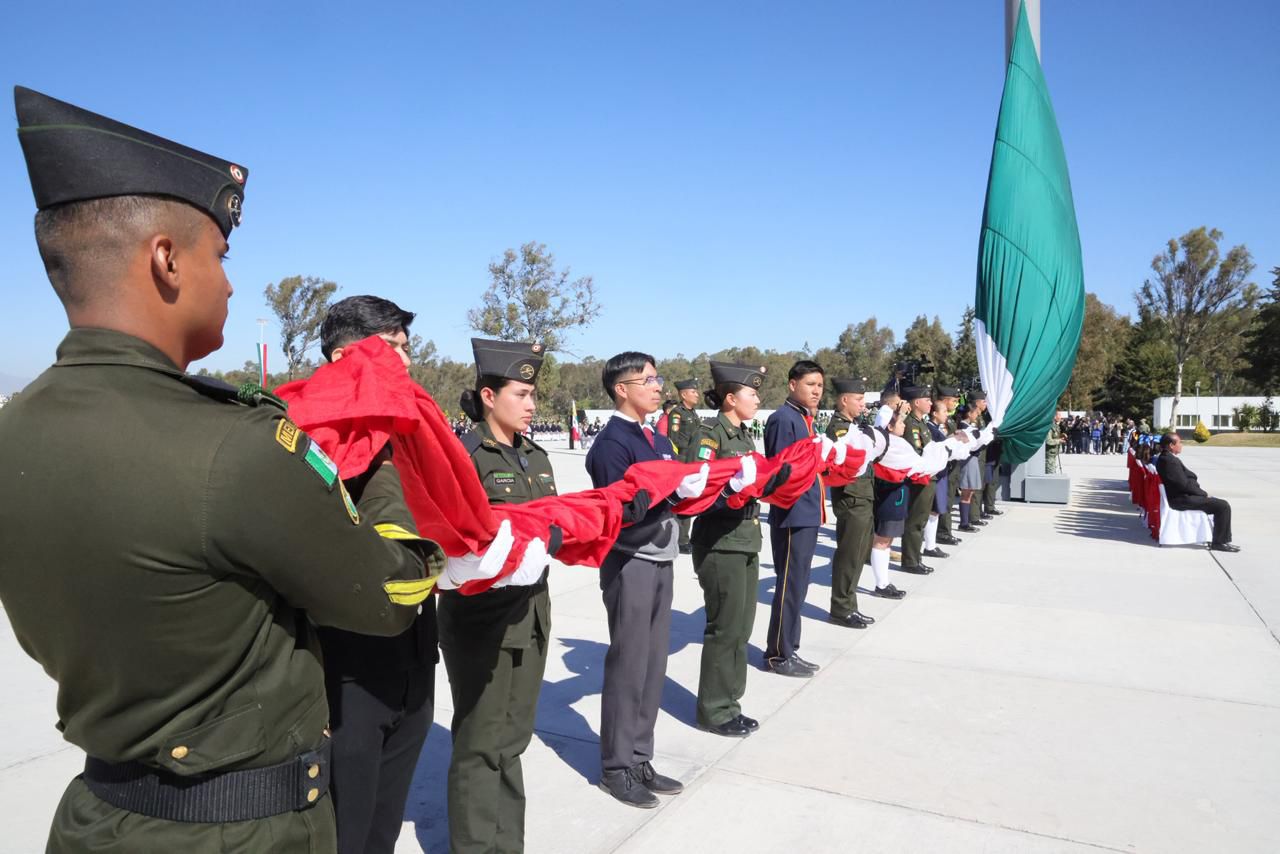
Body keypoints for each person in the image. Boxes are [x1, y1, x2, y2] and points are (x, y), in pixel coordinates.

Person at [0, 86, 445, 852]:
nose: (232, 282)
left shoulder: (17, 430)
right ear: (166, 259)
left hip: (97, 816)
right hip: (241, 829)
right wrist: (381, 467)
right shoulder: (232, 448)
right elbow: (388, 597)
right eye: (222, 254)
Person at [315, 297, 441, 854]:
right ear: (347, 355)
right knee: (345, 828)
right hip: (351, 673)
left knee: (382, 828)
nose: (406, 363)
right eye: (394, 349)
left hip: (414, 659)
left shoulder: (409, 437)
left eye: (406, 350)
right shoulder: (309, 439)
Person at [442, 338, 560, 852]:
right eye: (522, 393)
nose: (533, 404)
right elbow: (450, 540)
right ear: (488, 396)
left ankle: (506, 844)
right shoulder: (464, 456)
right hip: (483, 620)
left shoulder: (535, 456)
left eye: (534, 394)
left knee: (512, 741)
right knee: (480, 742)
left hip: (532, 611)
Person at [586, 352, 707, 807]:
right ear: (622, 388)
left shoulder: (654, 438)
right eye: (648, 380)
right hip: (630, 559)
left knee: (654, 664)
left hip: (660, 556)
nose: (658, 387)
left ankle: (640, 757)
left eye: (658, 378)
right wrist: (666, 496)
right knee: (629, 664)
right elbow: (617, 512)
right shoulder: (613, 443)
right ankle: (616, 767)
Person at [684, 362, 780, 737]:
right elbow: (696, 489)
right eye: (752, 393)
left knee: (740, 629)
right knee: (724, 628)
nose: (757, 400)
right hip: (721, 543)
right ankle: (715, 710)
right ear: (730, 397)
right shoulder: (709, 435)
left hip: (746, 540)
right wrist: (731, 493)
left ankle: (729, 702)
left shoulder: (742, 434)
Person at [763, 360, 826, 677]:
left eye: (819, 385)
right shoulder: (783, 420)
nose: (817, 390)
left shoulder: (803, 419)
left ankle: (790, 647)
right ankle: (777, 654)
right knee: (789, 585)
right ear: (792, 384)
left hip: (807, 512)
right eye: (810, 384)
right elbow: (781, 473)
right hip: (792, 514)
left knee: (798, 585)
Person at [825, 378, 876, 629]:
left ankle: (849, 605)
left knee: (858, 555)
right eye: (858, 399)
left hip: (863, 495)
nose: (862, 404)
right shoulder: (839, 427)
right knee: (849, 554)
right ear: (844, 400)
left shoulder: (854, 425)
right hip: (851, 497)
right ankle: (841, 608)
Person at [1155, 433, 1240, 552]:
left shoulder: (1167, 458)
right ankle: (1219, 542)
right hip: (1181, 499)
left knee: (1220, 504)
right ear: (1171, 445)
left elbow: (1184, 482)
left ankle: (1221, 540)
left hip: (1182, 496)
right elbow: (1183, 485)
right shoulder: (1169, 461)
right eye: (1179, 442)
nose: (1181, 445)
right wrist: (1203, 494)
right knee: (1222, 506)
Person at [898, 386, 937, 574]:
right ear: (916, 403)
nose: (931, 403)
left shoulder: (922, 424)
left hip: (929, 476)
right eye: (927, 400)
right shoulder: (911, 425)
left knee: (921, 520)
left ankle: (916, 558)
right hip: (919, 479)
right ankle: (910, 561)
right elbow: (916, 452)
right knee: (915, 520)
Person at [666, 379, 702, 554]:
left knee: (689, 500)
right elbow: (673, 439)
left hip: (693, 462)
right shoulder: (677, 413)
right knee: (680, 500)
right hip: (682, 461)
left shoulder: (694, 414)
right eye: (693, 392)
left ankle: (684, 538)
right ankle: (679, 540)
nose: (697, 394)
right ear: (683, 394)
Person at [922, 396, 952, 560]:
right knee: (932, 510)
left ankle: (930, 544)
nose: (946, 415)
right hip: (934, 474)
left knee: (936, 510)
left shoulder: (937, 429)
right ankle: (929, 545)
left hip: (940, 473)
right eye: (944, 411)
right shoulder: (931, 429)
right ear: (935, 413)